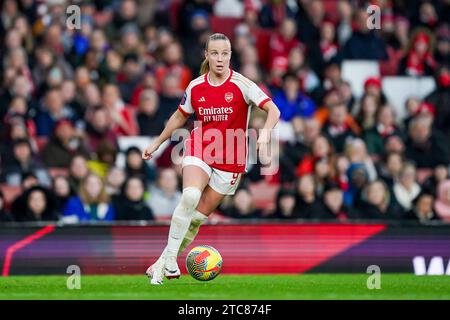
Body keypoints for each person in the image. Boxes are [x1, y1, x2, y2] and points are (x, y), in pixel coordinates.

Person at [141, 33, 280, 285]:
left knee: (194, 221)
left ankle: (160, 263)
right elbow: (179, 116)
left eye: (224, 53)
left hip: (231, 160)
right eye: (214, 53)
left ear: (230, 56)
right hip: (201, 147)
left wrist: (265, 134)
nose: (219, 58)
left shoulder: (242, 84)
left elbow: (273, 110)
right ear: (207, 55)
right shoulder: (196, 86)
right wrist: (158, 142)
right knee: (190, 196)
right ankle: (171, 261)